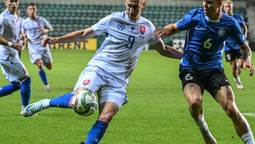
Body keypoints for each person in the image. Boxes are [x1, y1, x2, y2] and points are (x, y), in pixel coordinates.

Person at [23, 0, 182, 143]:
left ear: (143, 4)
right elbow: (84, 34)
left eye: (135, 7)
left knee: (106, 115)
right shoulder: (112, 19)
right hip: (99, 68)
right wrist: (56, 40)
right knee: (80, 100)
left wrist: (187, 56)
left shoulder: (148, 28)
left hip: (119, 79)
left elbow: (164, 50)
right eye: (128, 6)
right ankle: (45, 103)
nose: (131, 10)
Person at [154, 0, 255, 143]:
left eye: (209, 2)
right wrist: (165, 31)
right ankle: (205, 130)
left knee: (231, 108)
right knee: (195, 102)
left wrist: (247, 60)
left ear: (219, 3)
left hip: (214, 70)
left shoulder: (230, 23)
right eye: (204, 1)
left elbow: (245, 48)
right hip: (190, 68)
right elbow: (173, 27)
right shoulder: (195, 15)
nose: (205, 5)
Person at [0, 0, 31, 115]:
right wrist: (12, 45)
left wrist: (22, 37)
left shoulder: (15, 15)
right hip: (7, 55)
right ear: (6, 2)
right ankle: (26, 109)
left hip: (12, 54)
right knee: (26, 79)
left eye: (16, 1)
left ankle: (25, 108)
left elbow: (13, 33)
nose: (14, 4)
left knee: (16, 84)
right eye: (11, 1)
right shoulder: (3, 18)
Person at [22, 3, 54, 91]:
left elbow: (51, 29)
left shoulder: (42, 20)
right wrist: (24, 36)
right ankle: (46, 85)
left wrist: (45, 30)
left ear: (36, 10)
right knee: (39, 65)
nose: (32, 11)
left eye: (34, 9)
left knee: (49, 66)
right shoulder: (25, 22)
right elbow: (23, 33)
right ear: (27, 11)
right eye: (30, 9)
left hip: (43, 46)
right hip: (33, 47)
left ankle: (43, 62)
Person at [223, 0, 248, 89]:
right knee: (233, 67)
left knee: (241, 64)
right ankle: (238, 81)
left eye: (230, 6)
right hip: (228, 47)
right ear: (223, 7)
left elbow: (244, 27)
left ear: (232, 7)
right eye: (226, 6)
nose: (228, 8)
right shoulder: (222, 18)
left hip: (238, 45)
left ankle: (239, 66)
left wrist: (244, 38)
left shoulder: (238, 17)